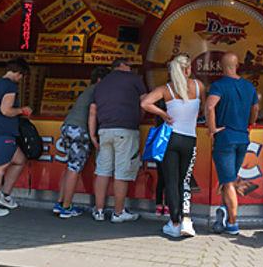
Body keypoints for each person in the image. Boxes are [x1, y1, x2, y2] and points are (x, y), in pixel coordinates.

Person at [142, 53, 205, 238]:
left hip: (171, 138)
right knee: (184, 181)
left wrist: (162, 113)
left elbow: (145, 103)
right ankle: (186, 220)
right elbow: (202, 108)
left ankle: (174, 223)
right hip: (190, 139)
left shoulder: (166, 89)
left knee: (170, 182)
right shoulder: (198, 86)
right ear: (189, 69)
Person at [204, 52, 259, 236]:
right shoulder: (249, 86)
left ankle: (233, 223)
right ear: (237, 65)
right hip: (242, 138)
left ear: (221, 66)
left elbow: (210, 106)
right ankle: (225, 210)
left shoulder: (219, 85)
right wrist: (249, 123)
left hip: (225, 139)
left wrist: (212, 129)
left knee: (228, 182)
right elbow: (255, 108)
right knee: (231, 178)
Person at [89, 58, 146, 222]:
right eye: (130, 65)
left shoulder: (100, 84)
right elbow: (145, 101)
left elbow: (93, 111)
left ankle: (98, 211)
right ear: (122, 65)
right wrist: (137, 118)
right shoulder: (134, 78)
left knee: (102, 171)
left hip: (104, 131)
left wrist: (93, 135)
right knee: (121, 173)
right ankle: (118, 213)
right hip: (125, 130)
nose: (131, 68)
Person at [53, 65, 109, 219]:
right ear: (100, 79)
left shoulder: (88, 90)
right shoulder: (98, 90)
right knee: (74, 168)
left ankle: (60, 203)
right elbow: (94, 112)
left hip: (68, 127)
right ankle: (66, 207)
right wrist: (92, 136)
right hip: (80, 130)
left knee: (70, 166)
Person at [0, 57, 32, 219]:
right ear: (18, 72)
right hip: (3, 132)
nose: (21, 79)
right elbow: (6, 110)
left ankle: (5, 195)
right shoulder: (10, 86)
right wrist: (22, 110)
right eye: (22, 75)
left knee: (19, 160)